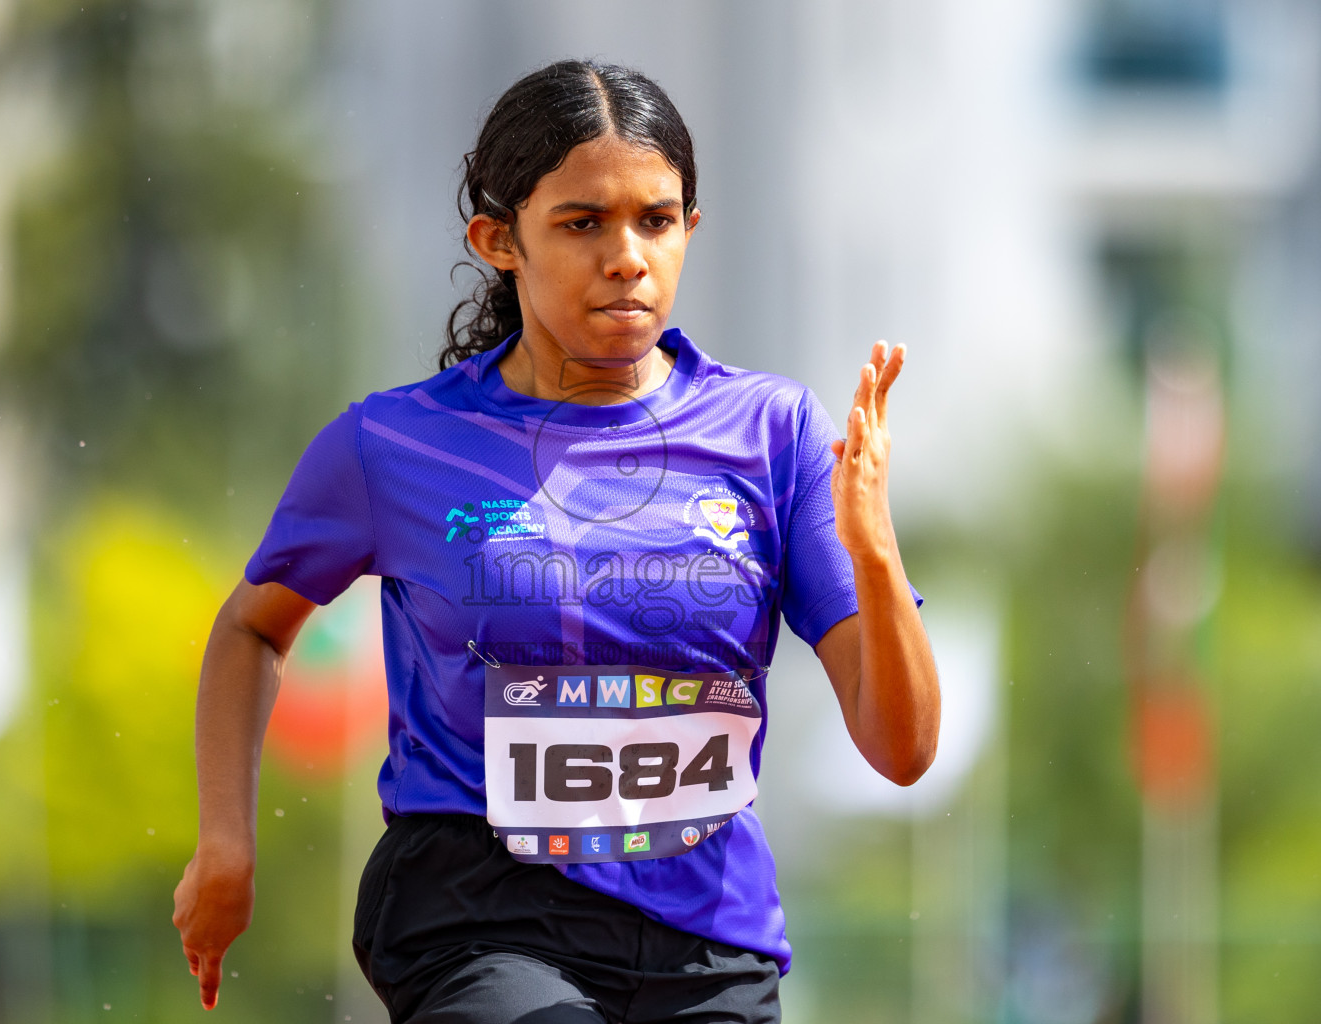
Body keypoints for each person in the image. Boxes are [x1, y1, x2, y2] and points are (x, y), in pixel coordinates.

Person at [172, 59, 939, 1022]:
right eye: (583, 223)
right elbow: (251, 629)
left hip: (709, 937)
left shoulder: (774, 433)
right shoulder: (392, 446)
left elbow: (902, 750)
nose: (627, 257)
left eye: (656, 221)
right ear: (500, 241)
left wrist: (873, 555)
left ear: (689, 232)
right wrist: (226, 844)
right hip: (477, 915)